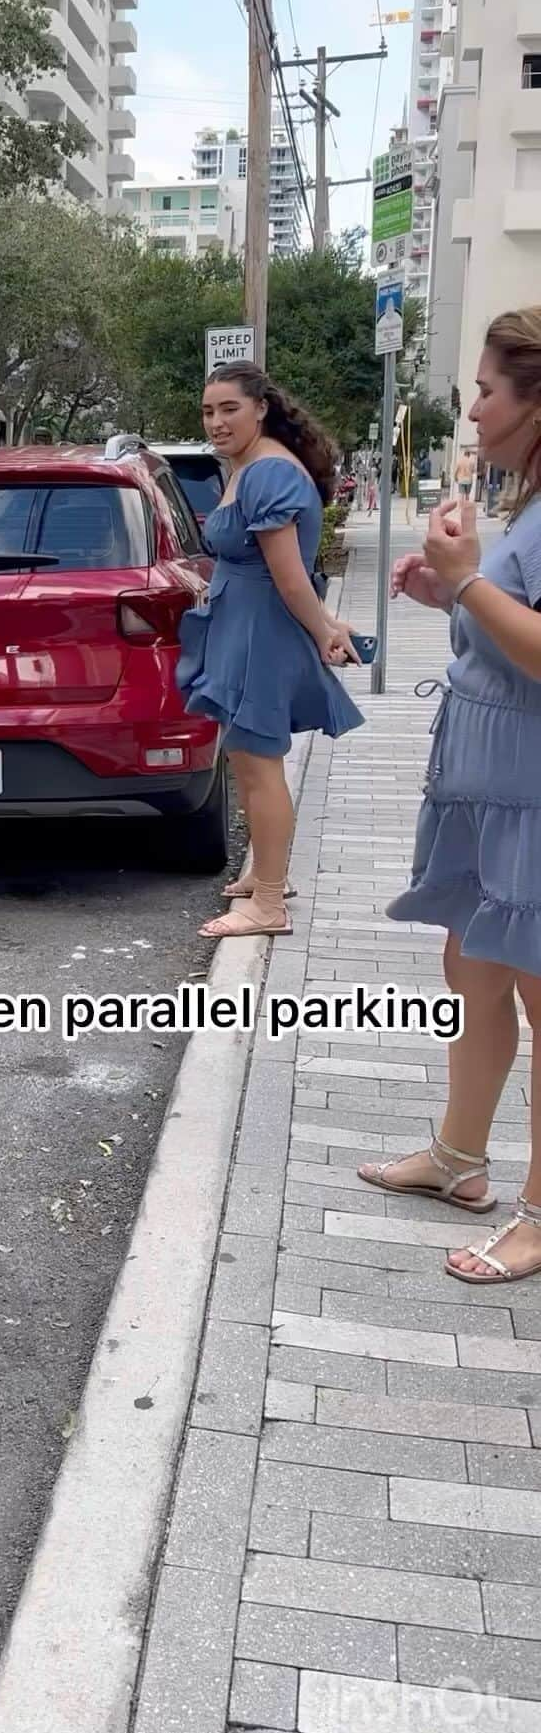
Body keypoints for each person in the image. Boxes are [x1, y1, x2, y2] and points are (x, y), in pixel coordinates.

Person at [358, 306, 541, 1285]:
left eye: (484, 388)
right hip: (489, 790)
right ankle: (459, 1160)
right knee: (472, 972)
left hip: (533, 798)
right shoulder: (525, 507)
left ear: (534, 403)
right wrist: (452, 592)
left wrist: (468, 586)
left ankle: (540, 1214)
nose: (471, 404)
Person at [176, 363, 363, 941]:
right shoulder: (252, 466)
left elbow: (289, 577)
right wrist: (327, 621)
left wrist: (322, 629)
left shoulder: (268, 474)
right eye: (208, 411)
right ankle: (266, 874)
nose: (216, 422)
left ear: (261, 407)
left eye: (229, 408)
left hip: (261, 633)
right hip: (244, 626)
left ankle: (269, 902)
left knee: (259, 767)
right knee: (249, 763)